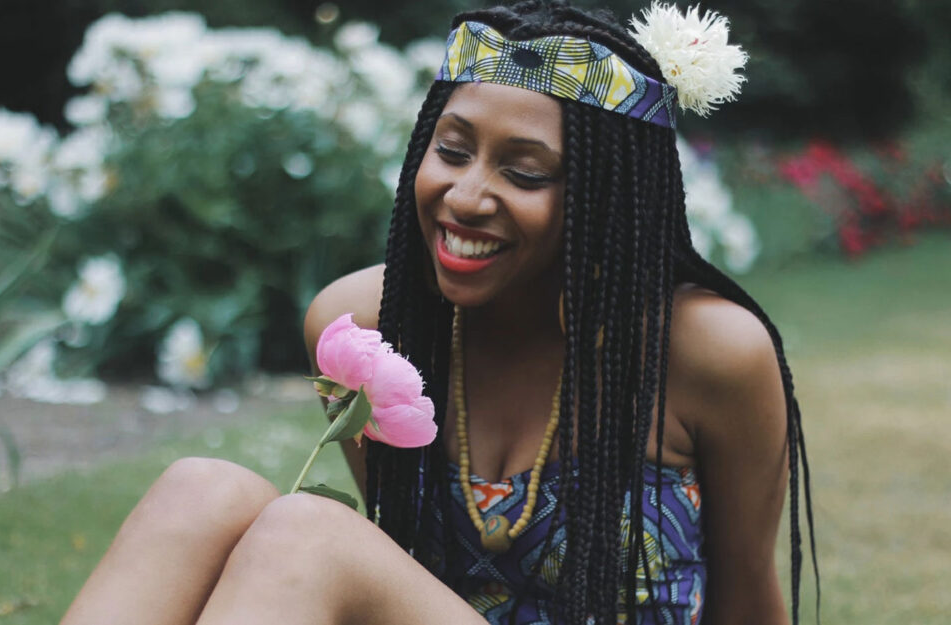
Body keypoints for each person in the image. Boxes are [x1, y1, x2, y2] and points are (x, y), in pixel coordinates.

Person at [60, 2, 817, 624]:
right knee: (202, 489)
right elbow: (395, 565)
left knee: (309, 534)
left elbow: (750, 600)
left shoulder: (708, 350)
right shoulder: (365, 325)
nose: (466, 196)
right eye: (452, 151)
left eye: (523, 171)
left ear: (606, 201)